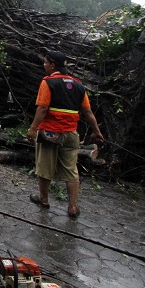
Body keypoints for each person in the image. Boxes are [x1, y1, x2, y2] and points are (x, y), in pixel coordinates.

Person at [27, 50, 105, 218]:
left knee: (45, 166)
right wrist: (97, 131)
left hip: (49, 132)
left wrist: (33, 129)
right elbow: (88, 112)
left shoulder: (48, 82)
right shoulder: (78, 84)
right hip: (71, 134)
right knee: (71, 170)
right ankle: (72, 207)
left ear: (53, 65)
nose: (44, 65)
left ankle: (44, 199)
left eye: (46, 63)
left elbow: (42, 108)